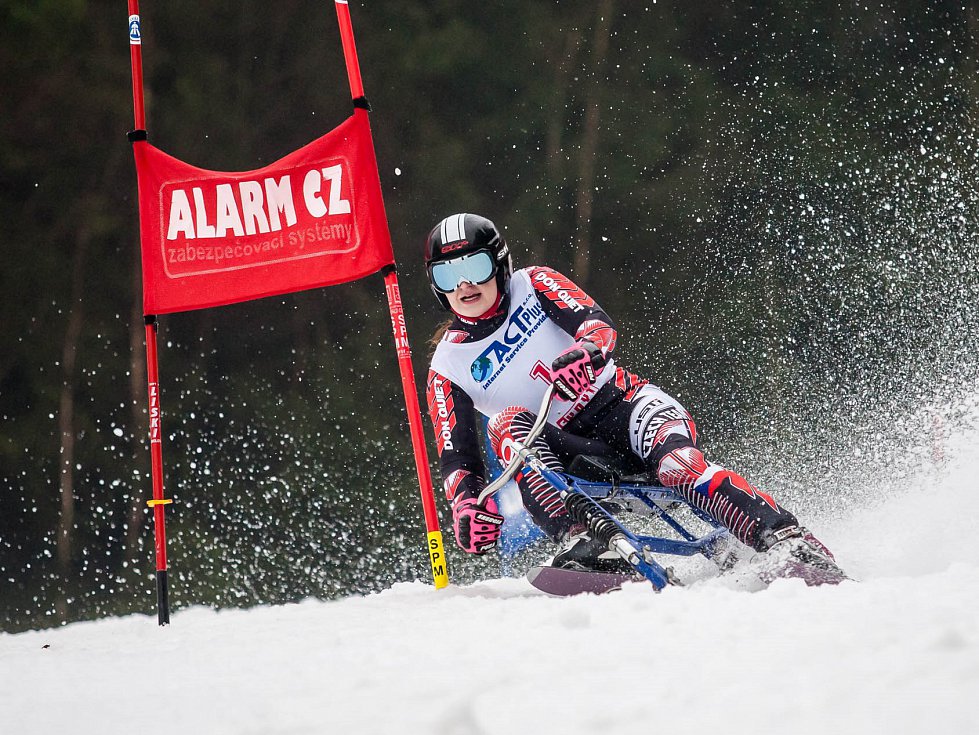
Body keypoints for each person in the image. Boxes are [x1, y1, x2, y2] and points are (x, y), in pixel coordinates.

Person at [423, 212, 838, 578]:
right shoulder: (448, 366)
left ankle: (783, 537)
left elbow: (596, 324)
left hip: (624, 406)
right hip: (563, 450)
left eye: (474, 267)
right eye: (447, 275)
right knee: (503, 423)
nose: (463, 284)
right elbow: (458, 459)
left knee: (678, 467)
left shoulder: (534, 282)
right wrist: (466, 506)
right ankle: (583, 539)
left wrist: (584, 353)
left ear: (498, 263)